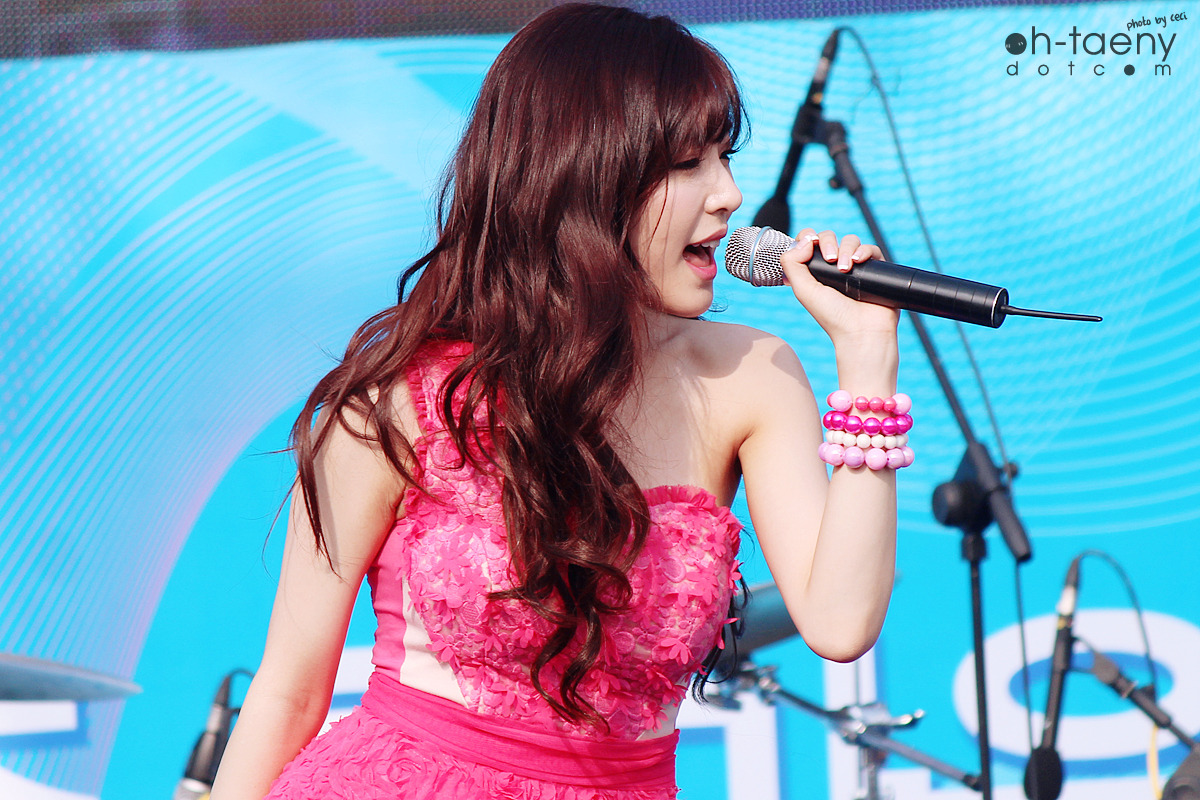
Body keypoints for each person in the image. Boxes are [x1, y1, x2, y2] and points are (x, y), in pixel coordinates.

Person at [209, 4, 902, 799]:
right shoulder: (400, 400)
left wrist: (868, 359)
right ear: (583, 173)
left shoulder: (751, 374)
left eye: (726, 157)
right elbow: (289, 694)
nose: (729, 196)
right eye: (688, 163)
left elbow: (840, 622)